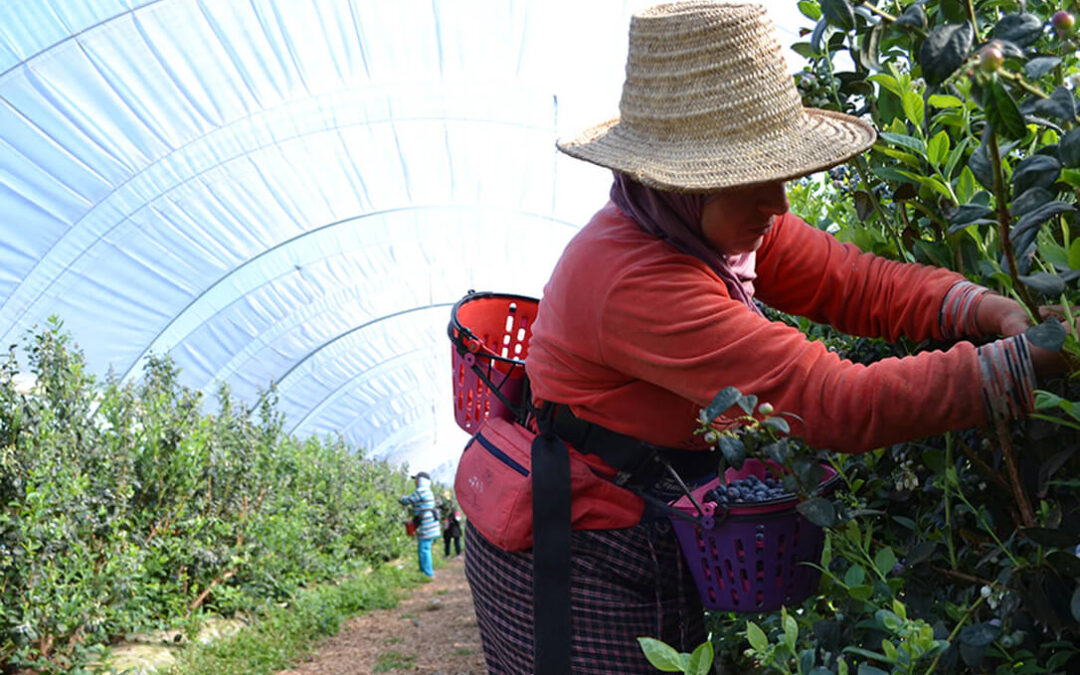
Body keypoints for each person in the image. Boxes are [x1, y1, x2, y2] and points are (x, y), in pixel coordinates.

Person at [460, 2, 1069, 674]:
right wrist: (1013, 367)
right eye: (757, 179)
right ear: (685, 181)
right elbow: (829, 400)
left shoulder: (706, 224)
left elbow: (852, 283)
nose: (779, 203)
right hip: (578, 551)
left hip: (636, 512)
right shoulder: (634, 282)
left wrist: (979, 307)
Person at [399, 471, 441, 577]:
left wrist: (399, 498)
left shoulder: (421, 491)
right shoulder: (428, 491)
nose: (415, 482)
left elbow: (409, 500)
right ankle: (424, 571)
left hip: (426, 525)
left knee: (424, 548)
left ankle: (427, 573)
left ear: (421, 481)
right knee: (425, 547)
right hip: (431, 524)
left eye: (416, 479)